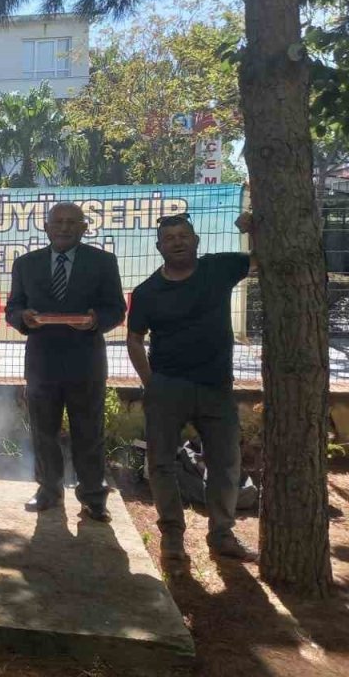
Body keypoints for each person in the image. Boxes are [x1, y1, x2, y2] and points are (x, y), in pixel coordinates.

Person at [126, 211, 259, 563]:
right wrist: (151, 384)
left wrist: (255, 229)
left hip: (217, 387)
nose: (178, 242)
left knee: (226, 463)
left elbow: (262, 262)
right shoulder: (147, 292)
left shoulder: (218, 269)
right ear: (159, 247)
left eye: (184, 236)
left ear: (196, 241)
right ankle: (172, 535)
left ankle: (221, 534)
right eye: (170, 239)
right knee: (161, 464)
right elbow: (134, 339)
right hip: (167, 388)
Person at [6, 202, 127, 522]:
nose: (64, 227)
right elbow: (12, 308)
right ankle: (49, 490)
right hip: (41, 362)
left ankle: (92, 496)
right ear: (46, 227)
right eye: (57, 222)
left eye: (72, 222)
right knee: (43, 431)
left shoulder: (102, 262)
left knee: (89, 430)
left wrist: (95, 320)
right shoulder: (25, 264)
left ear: (84, 228)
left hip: (85, 360)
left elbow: (117, 308)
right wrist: (24, 318)